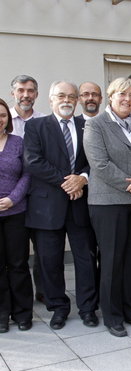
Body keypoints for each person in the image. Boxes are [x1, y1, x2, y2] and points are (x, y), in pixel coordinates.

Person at [83, 77, 131, 337]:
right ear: (111, 97)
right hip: (108, 203)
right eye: (121, 95)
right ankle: (113, 316)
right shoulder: (95, 125)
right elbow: (100, 165)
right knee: (113, 260)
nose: (127, 100)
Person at [23, 81, 99, 330]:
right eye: (61, 95)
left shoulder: (87, 125)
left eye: (72, 96)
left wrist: (83, 178)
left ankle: (88, 308)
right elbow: (33, 161)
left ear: (77, 100)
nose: (67, 100)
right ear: (51, 98)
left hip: (80, 205)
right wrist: (67, 182)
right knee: (49, 260)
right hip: (47, 207)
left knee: (85, 259)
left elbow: (94, 161)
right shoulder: (36, 125)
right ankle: (59, 307)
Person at [9, 75, 45, 304]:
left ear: (37, 94)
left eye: (30, 91)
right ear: (13, 93)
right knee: (16, 252)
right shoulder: (4, 120)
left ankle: (43, 291)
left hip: (40, 196)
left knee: (43, 250)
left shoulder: (44, 121)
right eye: (21, 90)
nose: (26, 95)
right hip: (12, 199)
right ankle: (18, 297)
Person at [0, 98, 33, 333]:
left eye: (2, 115)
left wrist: (13, 198)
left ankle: (23, 313)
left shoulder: (18, 142)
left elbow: (27, 175)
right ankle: (2, 314)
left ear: (7, 119)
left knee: (18, 264)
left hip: (16, 212)